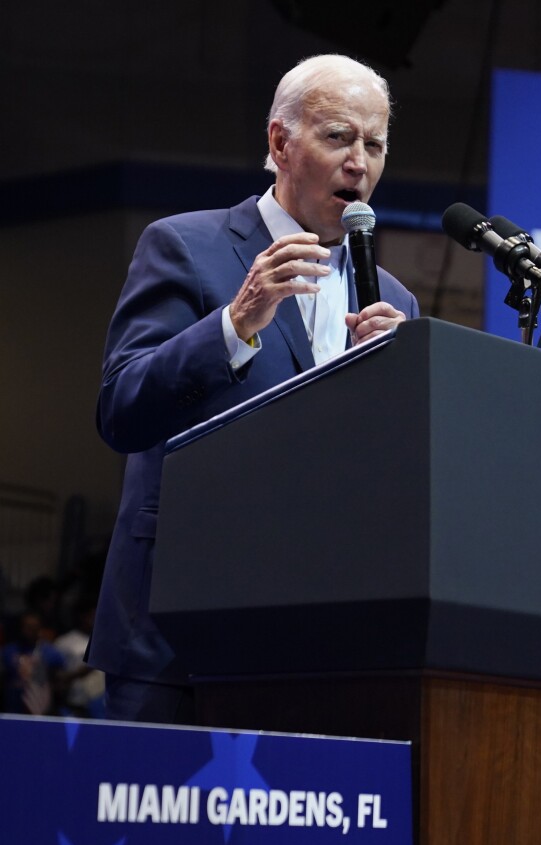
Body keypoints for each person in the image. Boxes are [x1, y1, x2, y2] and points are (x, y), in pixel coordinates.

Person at [89, 54, 419, 723]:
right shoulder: (185, 246)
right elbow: (122, 410)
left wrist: (398, 395)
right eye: (338, 137)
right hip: (176, 636)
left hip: (321, 644)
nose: (359, 163)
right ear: (280, 143)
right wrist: (234, 324)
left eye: (375, 144)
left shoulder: (394, 301)